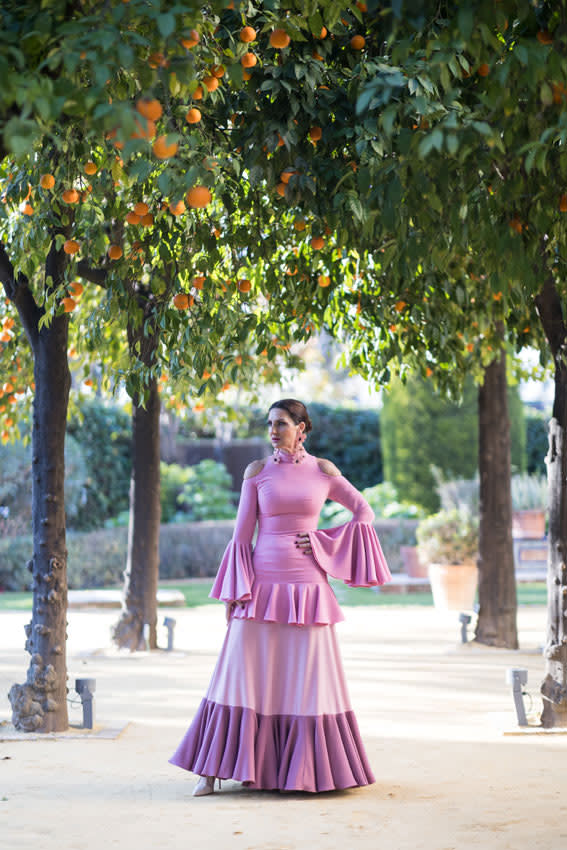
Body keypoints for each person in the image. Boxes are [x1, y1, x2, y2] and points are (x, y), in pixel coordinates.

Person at [169, 398, 391, 795]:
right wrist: (235, 593)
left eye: (282, 423)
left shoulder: (323, 471)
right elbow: (241, 537)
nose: (274, 430)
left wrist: (324, 543)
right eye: (270, 423)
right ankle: (211, 771)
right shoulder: (257, 471)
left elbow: (363, 512)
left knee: (307, 677)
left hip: (308, 588)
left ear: (301, 428)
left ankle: (309, 771)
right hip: (261, 584)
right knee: (240, 673)